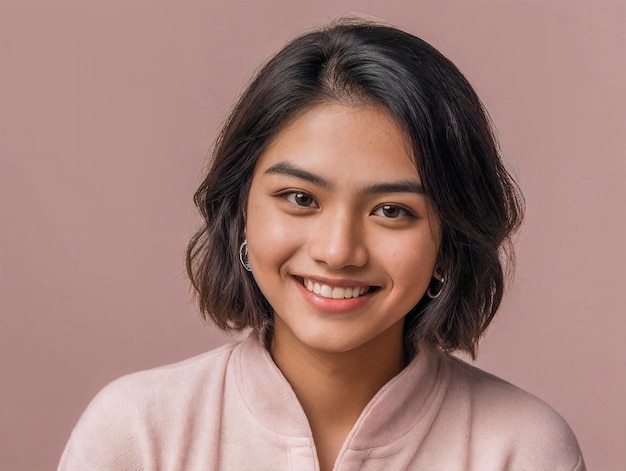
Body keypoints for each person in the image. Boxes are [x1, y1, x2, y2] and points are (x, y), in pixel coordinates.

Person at [58, 18, 585, 471]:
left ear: (450, 239)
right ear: (241, 211)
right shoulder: (135, 434)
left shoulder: (522, 449)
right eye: (299, 198)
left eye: (392, 210)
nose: (338, 251)